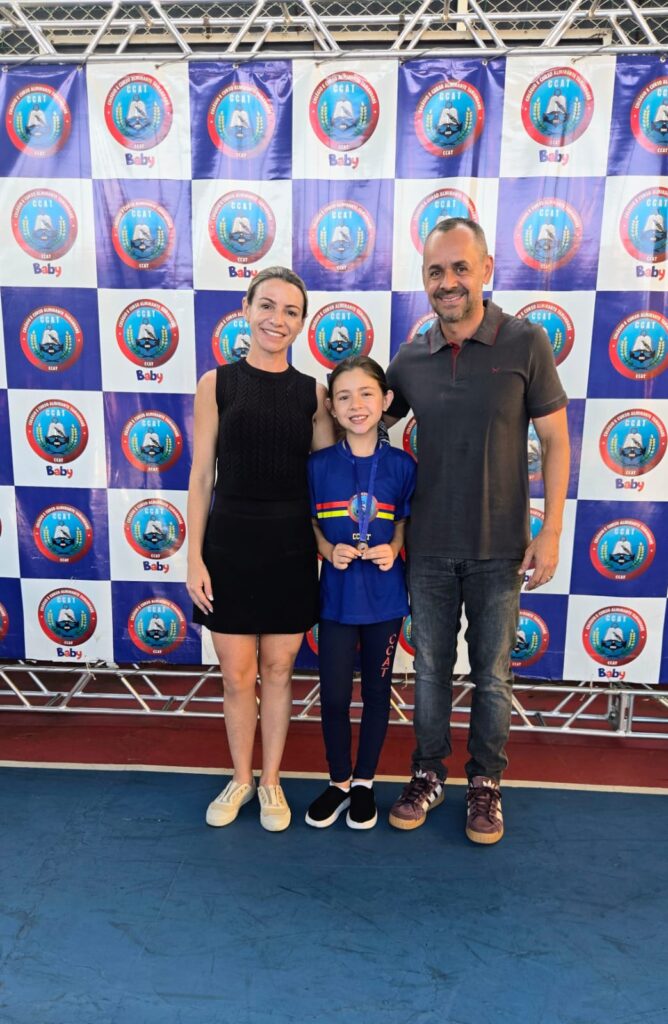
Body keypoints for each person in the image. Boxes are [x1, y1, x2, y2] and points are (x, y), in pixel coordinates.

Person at [385, 218, 570, 844]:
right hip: (429, 549)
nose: (449, 282)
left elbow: (555, 440)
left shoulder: (526, 342)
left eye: (460, 268)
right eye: (436, 271)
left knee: (492, 676)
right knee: (430, 672)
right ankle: (428, 773)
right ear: (425, 279)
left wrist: (551, 532)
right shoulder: (411, 358)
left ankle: (486, 783)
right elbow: (364, 419)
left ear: (486, 269)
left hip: (501, 548)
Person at [187, 267, 335, 832]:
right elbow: (201, 477)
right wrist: (194, 557)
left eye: (291, 311)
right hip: (228, 545)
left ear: (302, 323)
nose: (278, 319)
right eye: (267, 306)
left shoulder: (312, 393)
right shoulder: (216, 383)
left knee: (278, 670)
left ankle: (271, 781)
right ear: (247, 309)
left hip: (290, 548)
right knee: (236, 676)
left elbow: (327, 480)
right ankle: (241, 778)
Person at [305, 357, 416, 830]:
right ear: (331, 407)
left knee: (376, 694)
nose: (356, 405)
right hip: (335, 601)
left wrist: (393, 546)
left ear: (386, 400)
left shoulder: (403, 465)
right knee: (333, 697)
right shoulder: (317, 466)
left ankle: (365, 783)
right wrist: (327, 549)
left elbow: (404, 520)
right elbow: (311, 524)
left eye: (367, 394)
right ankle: (339, 781)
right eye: (344, 396)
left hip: (384, 602)